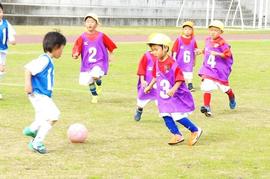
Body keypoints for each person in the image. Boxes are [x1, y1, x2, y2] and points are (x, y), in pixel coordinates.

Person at [144, 33, 202, 146]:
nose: (154, 52)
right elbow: (156, 75)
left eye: (156, 49)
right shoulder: (157, 62)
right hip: (163, 96)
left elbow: (180, 78)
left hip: (174, 95)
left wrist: (173, 90)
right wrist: (150, 86)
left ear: (165, 48)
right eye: (152, 50)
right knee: (165, 114)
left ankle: (195, 130)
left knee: (177, 116)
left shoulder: (171, 63)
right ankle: (177, 135)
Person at [23, 31, 66, 154]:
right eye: (62, 49)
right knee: (54, 115)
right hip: (39, 94)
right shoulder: (44, 60)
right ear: (56, 47)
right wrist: (27, 84)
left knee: (43, 117)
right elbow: (28, 69)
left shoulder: (47, 60)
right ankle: (36, 139)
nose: (62, 52)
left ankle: (33, 131)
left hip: (40, 94)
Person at [72, 13, 117, 103]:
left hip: (99, 62)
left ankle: (99, 83)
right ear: (85, 24)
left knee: (95, 75)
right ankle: (94, 95)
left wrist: (111, 55)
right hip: (87, 64)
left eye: (92, 22)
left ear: (97, 24)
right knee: (89, 81)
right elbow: (77, 48)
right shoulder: (82, 37)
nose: (90, 24)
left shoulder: (101, 36)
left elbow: (110, 46)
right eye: (88, 22)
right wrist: (75, 54)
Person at [198, 20, 236, 117]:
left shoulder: (222, 43)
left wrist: (218, 54)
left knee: (225, 89)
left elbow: (228, 55)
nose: (213, 32)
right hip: (208, 69)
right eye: (211, 30)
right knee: (207, 86)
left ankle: (231, 96)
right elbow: (207, 50)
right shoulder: (207, 40)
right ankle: (207, 107)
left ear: (220, 32)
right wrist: (201, 51)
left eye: (216, 30)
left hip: (219, 71)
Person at [172, 21, 199, 92]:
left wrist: (194, 60)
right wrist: (173, 59)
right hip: (180, 61)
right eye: (185, 29)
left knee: (189, 73)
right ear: (183, 30)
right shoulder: (179, 39)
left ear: (192, 31)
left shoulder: (193, 40)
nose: (187, 31)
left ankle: (190, 85)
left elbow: (195, 51)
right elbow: (174, 50)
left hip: (189, 62)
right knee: (179, 73)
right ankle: (177, 85)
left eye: (189, 29)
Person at [134, 50, 157, 121]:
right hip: (147, 82)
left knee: (161, 101)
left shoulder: (162, 55)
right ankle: (139, 110)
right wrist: (142, 80)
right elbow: (141, 68)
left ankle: (167, 117)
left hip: (158, 82)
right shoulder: (147, 55)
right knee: (142, 99)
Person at [0, 3, 16, 99]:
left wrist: (12, 40)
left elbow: (10, 35)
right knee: (1, 68)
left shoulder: (6, 23)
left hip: (3, 51)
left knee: (1, 70)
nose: (0, 14)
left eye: (1, 11)